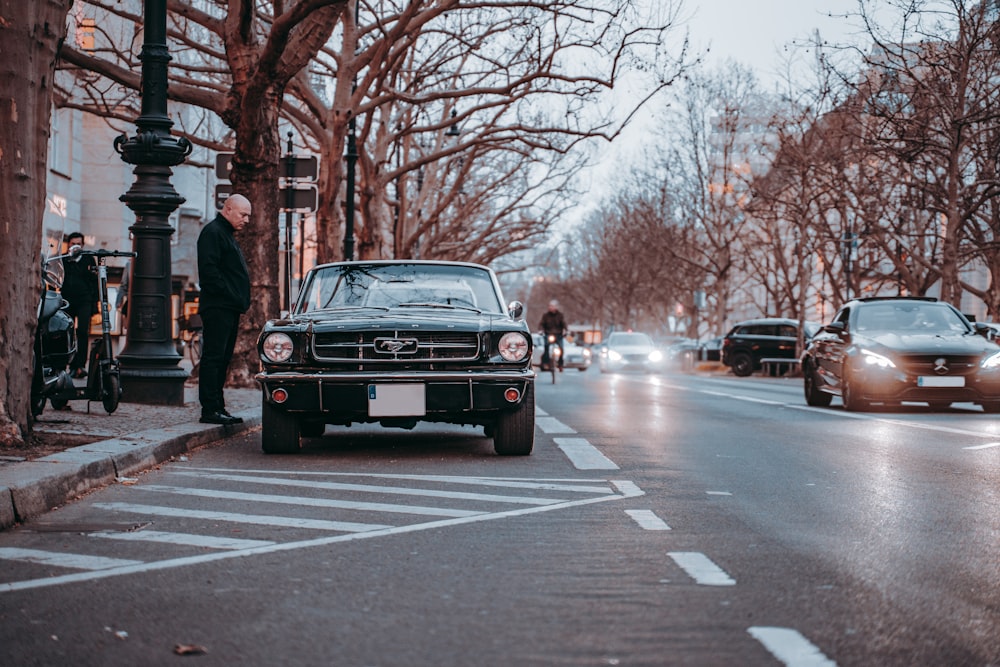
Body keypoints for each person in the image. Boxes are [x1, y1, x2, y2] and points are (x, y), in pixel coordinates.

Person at [196, 194, 252, 425]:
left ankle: (217, 407)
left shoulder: (224, 233)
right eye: (243, 214)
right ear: (228, 209)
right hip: (219, 306)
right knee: (214, 357)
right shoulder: (213, 233)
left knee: (222, 358)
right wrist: (232, 295)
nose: (247, 220)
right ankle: (210, 409)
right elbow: (209, 273)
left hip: (227, 306)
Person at [61, 232, 98, 379]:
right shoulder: (64, 259)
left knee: (82, 332)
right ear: (68, 244)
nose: (75, 246)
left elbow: (95, 283)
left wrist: (95, 304)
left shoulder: (89, 259)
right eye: (72, 243)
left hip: (84, 300)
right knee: (66, 333)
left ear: (82, 245)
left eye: (78, 244)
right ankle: (64, 365)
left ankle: (79, 366)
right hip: (67, 300)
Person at [539, 299, 567, 371]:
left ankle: (560, 364)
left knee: (561, 348)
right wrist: (541, 330)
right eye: (550, 306)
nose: (551, 307)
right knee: (546, 347)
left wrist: (565, 330)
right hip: (548, 334)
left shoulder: (560, 315)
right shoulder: (545, 315)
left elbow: (564, 324)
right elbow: (541, 324)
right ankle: (546, 362)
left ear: (556, 307)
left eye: (552, 306)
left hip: (558, 335)